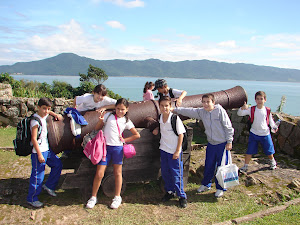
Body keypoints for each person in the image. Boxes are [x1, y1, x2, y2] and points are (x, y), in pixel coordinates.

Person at [173, 93, 234, 198]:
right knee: (209, 164)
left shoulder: (220, 111)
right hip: (211, 143)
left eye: (208, 102)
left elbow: (228, 127)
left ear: (213, 102)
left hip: (222, 144)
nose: (205, 104)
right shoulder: (202, 112)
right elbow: (190, 111)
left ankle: (221, 188)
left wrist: (229, 141)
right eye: (204, 102)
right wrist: (175, 109)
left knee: (222, 167)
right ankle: (206, 184)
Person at [86, 98, 140, 209]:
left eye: (122, 109)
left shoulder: (126, 121)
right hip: (105, 148)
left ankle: (117, 197)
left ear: (127, 109)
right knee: (99, 173)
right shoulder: (109, 116)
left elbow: (137, 135)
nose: (120, 111)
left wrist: (125, 140)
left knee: (118, 173)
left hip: (118, 149)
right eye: (118, 109)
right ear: (115, 108)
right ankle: (93, 197)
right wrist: (101, 121)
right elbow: (97, 128)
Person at [27, 97, 63, 208]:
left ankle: (49, 186)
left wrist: (55, 114)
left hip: (47, 150)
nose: (46, 111)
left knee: (57, 164)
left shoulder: (45, 115)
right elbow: (34, 139)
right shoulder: (35, 121)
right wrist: (39, 154)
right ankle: (32, 198)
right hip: (39, 151)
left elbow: (48, 112)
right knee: (38, 176)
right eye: (44, 108)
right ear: (38, 107)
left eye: (48, 109)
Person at [152, 96, 188, 208]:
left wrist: (177, 151)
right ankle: (170, 192)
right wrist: (157, 128)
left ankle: (182, 196)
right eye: (162, 106)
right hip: (164, 149)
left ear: (170, 106)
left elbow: (181, 134)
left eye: (166, 106)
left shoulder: (175, 118)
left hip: (174, 151)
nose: (164, 108)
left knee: (176, 173)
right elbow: (162, 128)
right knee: (166, 172)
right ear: (159, 106)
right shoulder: (160, 117)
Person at [237, 91, 277, 172]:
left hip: (265, 133)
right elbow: (239, 114)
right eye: (258, 99)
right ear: (255, 100)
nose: (259, 101)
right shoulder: (252, 109)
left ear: (265, 100)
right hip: (254, 133)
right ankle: (245, 166)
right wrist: (242, 108)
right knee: (249, 150)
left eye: (261, 99)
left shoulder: (267, 110)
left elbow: (270, 121)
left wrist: (274, 127)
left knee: (269, 150)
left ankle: (273, 162)